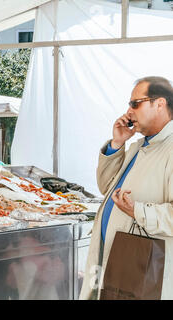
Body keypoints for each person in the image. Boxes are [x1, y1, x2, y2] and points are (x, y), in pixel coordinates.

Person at [80, 76, 173, 300]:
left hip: (142, 267)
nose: (129, 111)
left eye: (135, 103)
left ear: (159, 104)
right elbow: (106, 187)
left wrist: (137, 211)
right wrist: (117, 144)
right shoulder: (139, 146)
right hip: (110, 256)